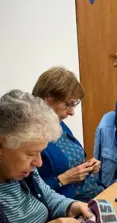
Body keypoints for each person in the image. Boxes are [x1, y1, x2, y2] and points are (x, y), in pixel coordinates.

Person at [0, 90, 92, 223]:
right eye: (30, 154)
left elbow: (47, 195)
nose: (39, 162)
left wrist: (70, 206)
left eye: (40, 152)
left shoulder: (21, 170)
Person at [32, 67, 104, 202]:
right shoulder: (31, 135)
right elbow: (30, 193)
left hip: (93, 193)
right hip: (70, 205)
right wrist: (63, 179)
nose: (71, 112)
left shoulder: (58, 123)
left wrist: (88, 165)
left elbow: (72, 160)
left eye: (74, 105)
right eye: (68, 104)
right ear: (48, 99)